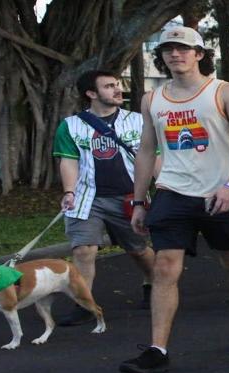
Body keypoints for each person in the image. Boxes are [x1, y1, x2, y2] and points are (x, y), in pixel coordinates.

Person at [118, 25, 229, 373]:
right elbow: (146, 150)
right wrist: (139, 201)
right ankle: (157, 349)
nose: (175, 54)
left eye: (183, 49)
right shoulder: (152, 99)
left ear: (199, 54)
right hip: (173, 191)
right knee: (165, 266)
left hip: (221, 193)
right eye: (168, 49)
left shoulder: (224, 92)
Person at [52, 70, 156, 322]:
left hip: (131, 197)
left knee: (139, 249)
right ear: (91, 93)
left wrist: (162, 187)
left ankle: (154, 285)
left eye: (117, 85)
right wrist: (69, 190)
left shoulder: (139, 121)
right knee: (83, 250)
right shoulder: (71, 126)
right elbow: (69, 160)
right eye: (110, 86)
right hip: (88, 198)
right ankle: (85, 304)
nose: (118, 89)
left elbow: (155, 155)